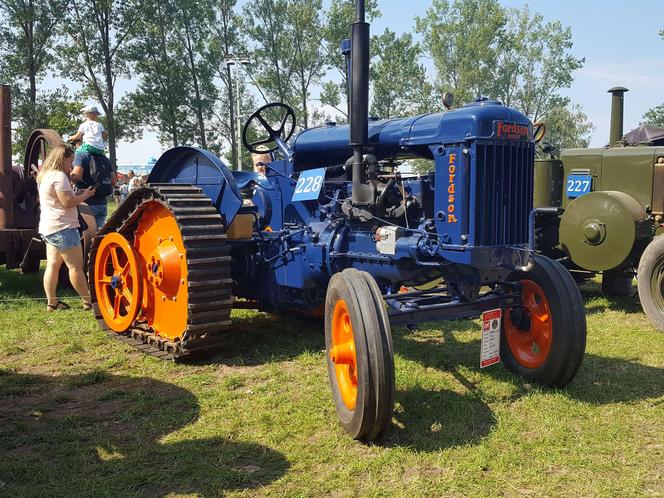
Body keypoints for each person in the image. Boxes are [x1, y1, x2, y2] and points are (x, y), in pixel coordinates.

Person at [37, 144, 97, 312]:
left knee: (53, 265)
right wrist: (85, 195)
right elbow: (67, 203)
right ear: (62, 159)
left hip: (49, 227)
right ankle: (88, 302)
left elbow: (60, 199)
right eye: (70, 161)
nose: (71, 165)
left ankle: (52, 302)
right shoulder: (60, 177)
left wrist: (77, 194)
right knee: (75, 267)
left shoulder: (45, 176)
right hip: (64, 227)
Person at [67, 105, 116, 229]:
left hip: (86, 205)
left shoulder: (81, 154)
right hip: (102, 204)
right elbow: (114, 181)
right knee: (99, 234)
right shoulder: (105, 158)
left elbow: (76, 176)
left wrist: (65, 175)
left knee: (85, 237)